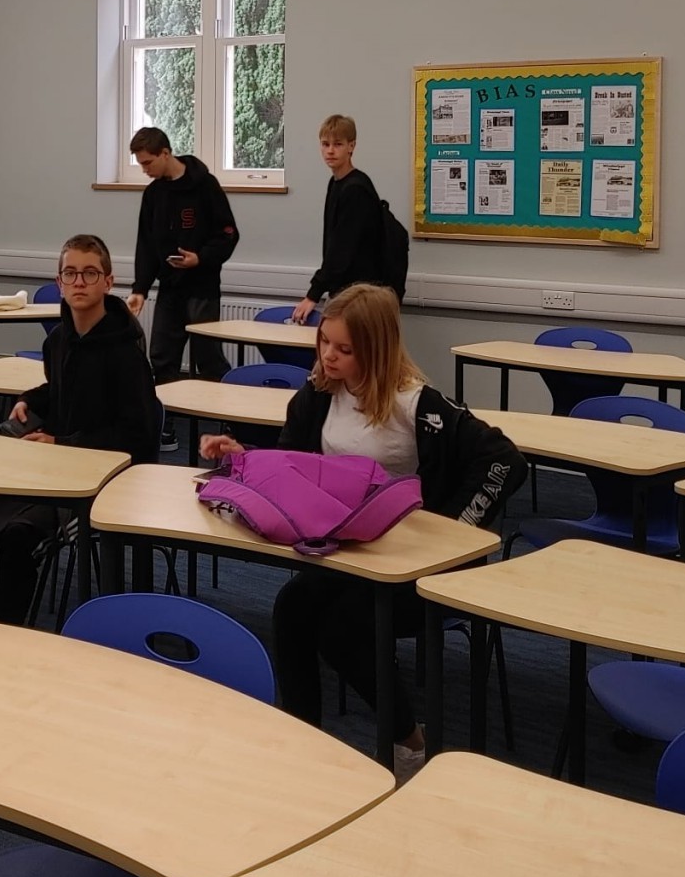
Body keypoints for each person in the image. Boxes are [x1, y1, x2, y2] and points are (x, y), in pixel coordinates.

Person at [200, 282, 525, 781]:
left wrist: (451, 531)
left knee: (342, 628)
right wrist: (245, 457)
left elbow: (504, 461)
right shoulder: (318, 395)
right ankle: (302, 738)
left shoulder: (415, 404)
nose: (329, 356)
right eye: (324, 342)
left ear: (375, 350)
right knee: (291, 609)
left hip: (407, 566)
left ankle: (409, 742)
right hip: (347, 551)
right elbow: (294, 465)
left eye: (344, 349)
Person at [0, 233, 158, 625]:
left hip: (95, 482)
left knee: (18, 536)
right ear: (59, 282)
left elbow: (137, 437)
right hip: (48, 466)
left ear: (108, 282)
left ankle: (3, 636)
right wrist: (31, 400)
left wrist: (62, 443)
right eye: (70, 273)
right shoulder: (58, 340)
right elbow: (60, 391)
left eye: (90, 273)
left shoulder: (126, 352)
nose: (79, 282)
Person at [125, 127, 239, 452]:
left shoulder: (205, 185)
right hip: (170, 290)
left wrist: (200, 258)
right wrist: (140, 288)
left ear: (165, 153)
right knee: (162, 358)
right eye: (140, 164)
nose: (145, 169)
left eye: (148, 163)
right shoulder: (153, 194)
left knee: (208, 359)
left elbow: (229, 234)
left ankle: (227, 426)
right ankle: (167, 426)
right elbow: (146, 245)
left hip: (202, 287)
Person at [291, 115, 385, 325]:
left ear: (351, 146)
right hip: (343, 289)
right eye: (325, 144)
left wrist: (313, 295)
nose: (330, 151)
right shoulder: (335, 183)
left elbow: (342, 249)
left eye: (338, 144)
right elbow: (333, 245)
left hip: (360, 294)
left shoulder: (356, 189)